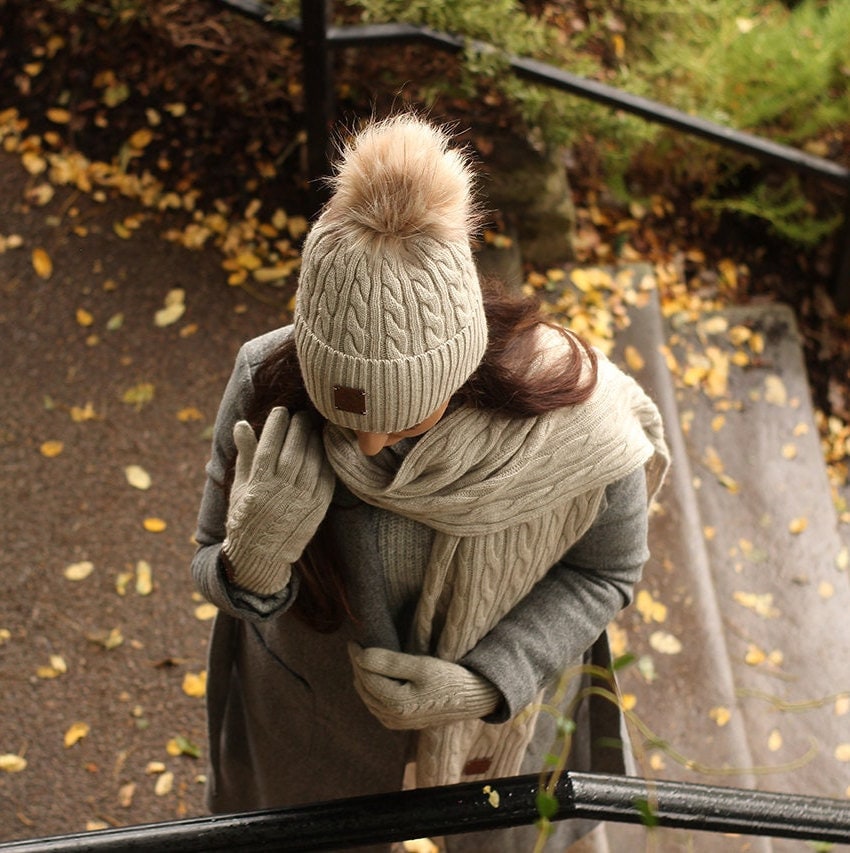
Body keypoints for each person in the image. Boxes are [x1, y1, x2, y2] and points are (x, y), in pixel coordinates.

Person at [191, 113, 669, 852]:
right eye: (343, 413)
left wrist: (487, 682)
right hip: (314, 726)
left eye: (405, 417)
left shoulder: (579, 425)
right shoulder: (265, 380)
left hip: (497, 733)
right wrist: (251, 559)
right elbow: (207, 559)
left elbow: (607, 570)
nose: (367, 444)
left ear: (462, 365)